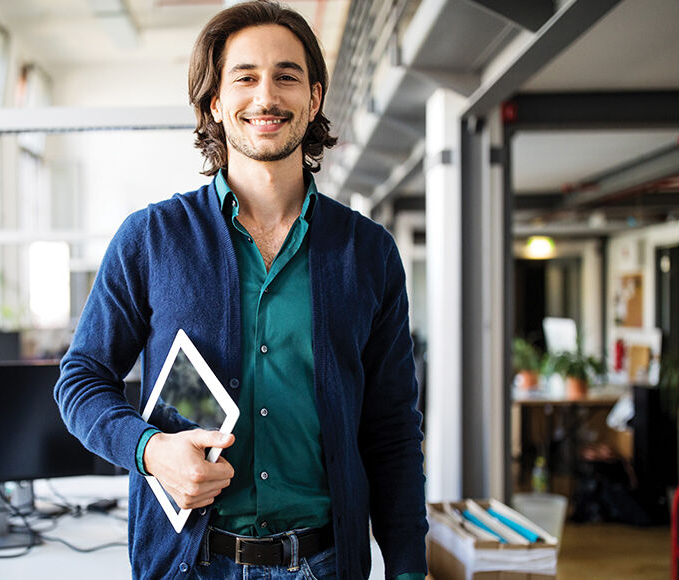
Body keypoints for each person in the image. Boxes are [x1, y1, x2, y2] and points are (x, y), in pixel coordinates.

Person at [55, 1, 428, 578]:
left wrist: (408, 566)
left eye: (287, 76)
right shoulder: (151, 239)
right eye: (245, 77)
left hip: (324, 563)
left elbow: (392, 430)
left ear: (315, 98)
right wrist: (150, 451)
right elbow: (80, 382)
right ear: (215, 103)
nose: (267, 97)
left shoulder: (368, 252)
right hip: (191, 563)